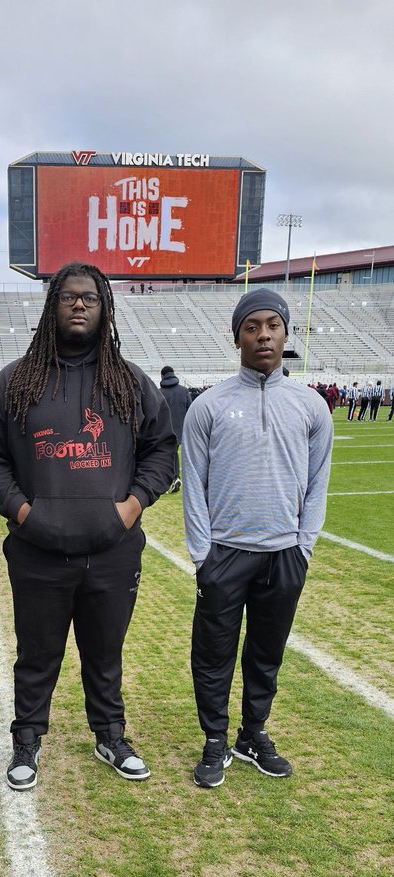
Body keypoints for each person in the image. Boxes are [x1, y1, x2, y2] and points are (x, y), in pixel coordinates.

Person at [0, 260, 175, 789]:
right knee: (36, 655)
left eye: (89, 297)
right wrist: (25, 514)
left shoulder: (130, 382)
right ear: (52, 306)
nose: (79, 304)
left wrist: (129, 508)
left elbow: (161, 452)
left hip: (113, 551)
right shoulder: (16, 382)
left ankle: (110, 734)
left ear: (104, 308)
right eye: (69, 297)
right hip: (39, 552)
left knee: (104, 653)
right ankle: (26, 742)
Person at [182, 288, 333, 788]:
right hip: (225, 553)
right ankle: (214, 740)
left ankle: (253, 734)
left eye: (272, 324)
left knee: (266, 652)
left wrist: (303, 545)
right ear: (237, 337)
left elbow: (317, 485)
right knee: (213, 652)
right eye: (252, 326)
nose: (263, 334)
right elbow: (194, 489)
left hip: (284, 554)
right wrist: (203, 554)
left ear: (286, 333)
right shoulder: (208, 406)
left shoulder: (312, 407)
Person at [159, 365, 191, 493]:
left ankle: (173, 478)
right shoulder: (184, 391)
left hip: (165, 431)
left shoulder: (160, 392)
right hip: (182, 430)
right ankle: (175, 477)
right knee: (172, 454)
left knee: (168, 455)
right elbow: (190, 410)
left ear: (162, 376)